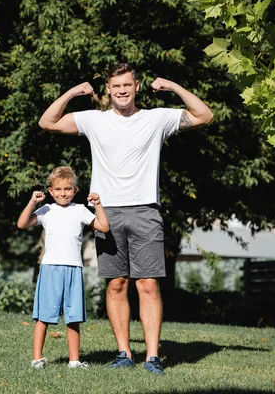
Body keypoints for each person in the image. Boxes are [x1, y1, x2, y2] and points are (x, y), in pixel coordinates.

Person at [38, 63, 213, 375]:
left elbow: (204, 115)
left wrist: (172, 86)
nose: (121, 91)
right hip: (106, 211)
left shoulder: (156, 118)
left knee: (148, 285)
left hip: (146, 210)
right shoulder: (94, 121)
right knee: (117, 284)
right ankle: (123, 353)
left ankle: (153, 357)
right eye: (116, 86)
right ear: (108, 89)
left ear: (137, 87)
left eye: (127, 85)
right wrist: (74, 92)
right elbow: (47, 122)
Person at [17, 166, 110, 369]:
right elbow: (22, 224)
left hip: (73, 270)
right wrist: (33, 201)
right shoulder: (46, 210)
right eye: (58, 190)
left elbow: (104, 227)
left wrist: (98, 205)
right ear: (51, 191)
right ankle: (36, 359)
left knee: (73, 318)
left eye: (68, 189)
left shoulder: (80, 210)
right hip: (50, 269)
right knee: (44, 317)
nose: (63, 193)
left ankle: (74, 361)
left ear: (75, 191)